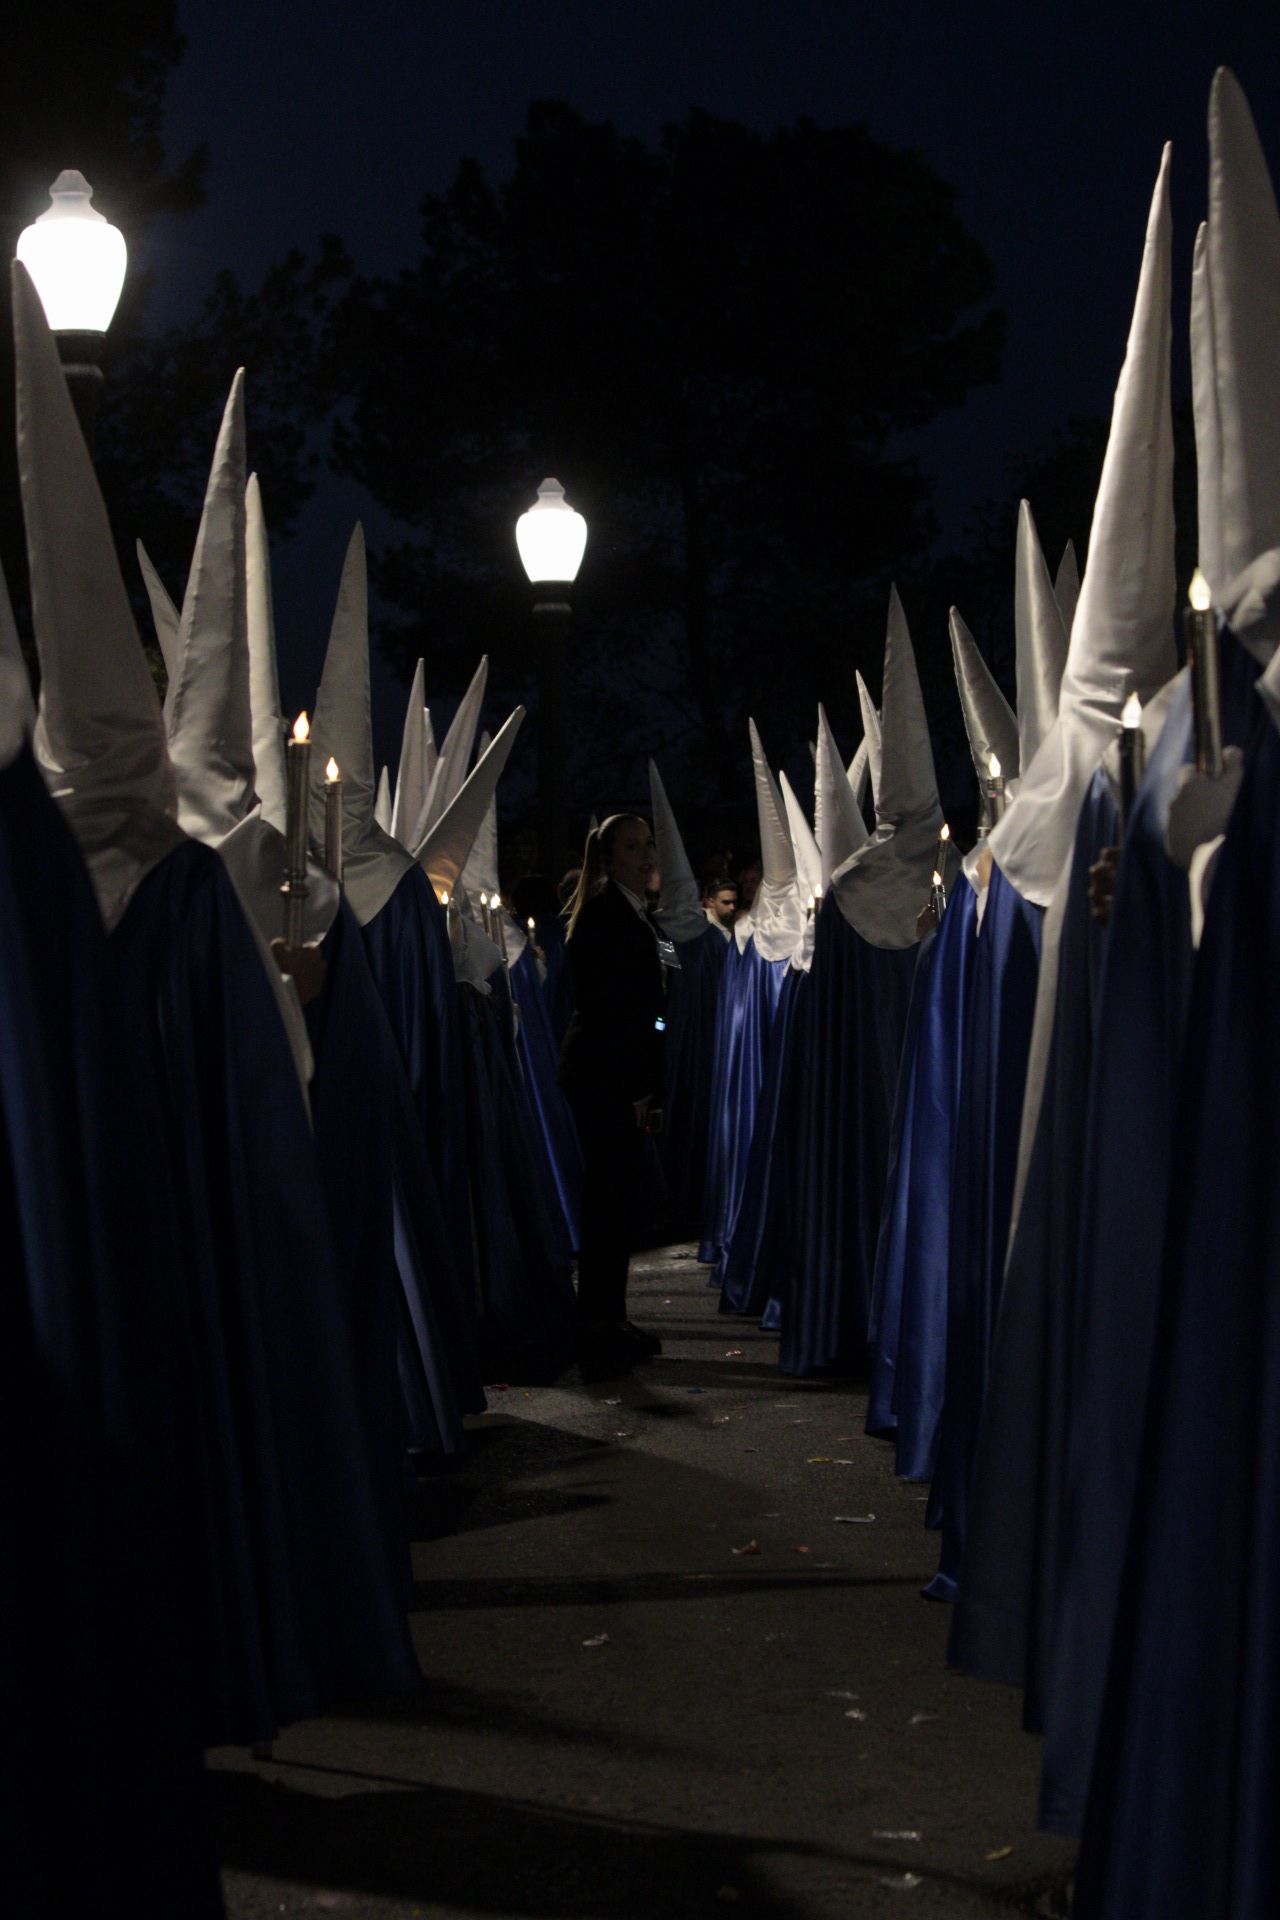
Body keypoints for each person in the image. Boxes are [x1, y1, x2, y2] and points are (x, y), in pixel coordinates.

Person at [559, 813, 667, 1374]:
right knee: (606, 1202)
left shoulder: (638, 912)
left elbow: (654, 1001)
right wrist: (636, 1089)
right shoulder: (605, 916)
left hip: (621, 1074)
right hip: (606, 1078)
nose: (646, 856)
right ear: (608, 858)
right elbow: (611, 1012)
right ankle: (596, 1325)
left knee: (618, 1201)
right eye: (632, 847)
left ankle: (611, 1316)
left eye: (649, 845)